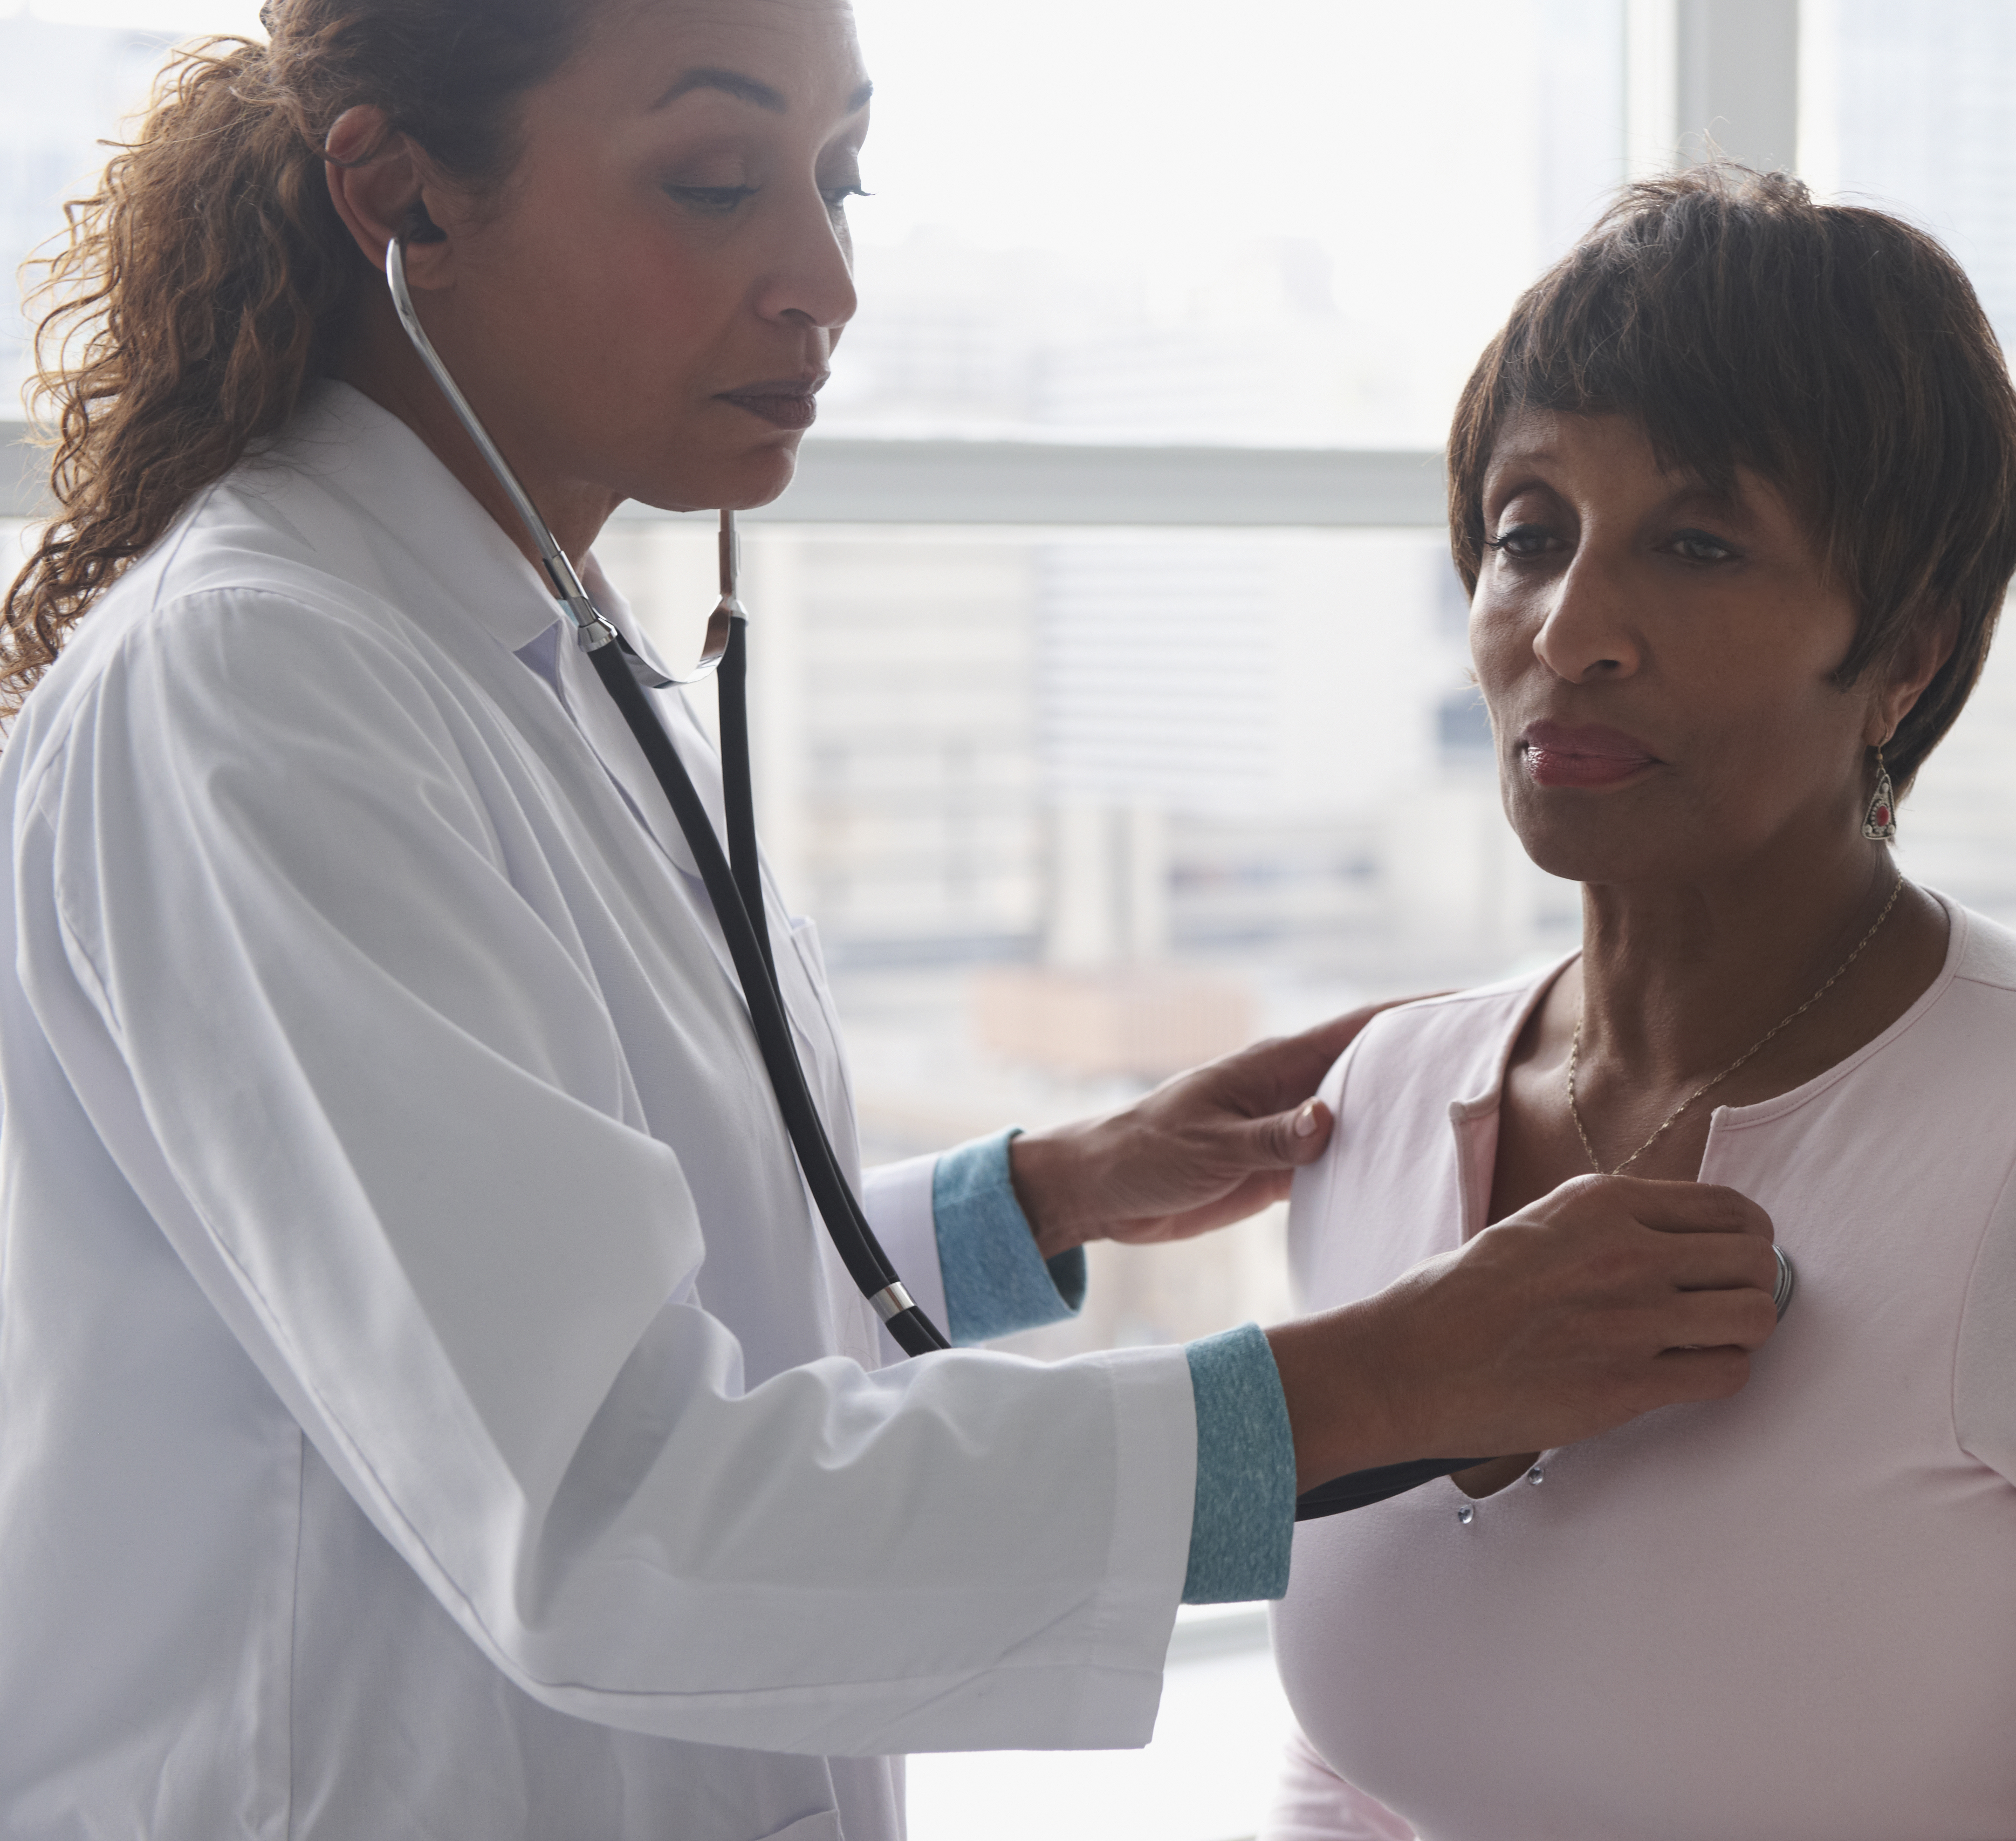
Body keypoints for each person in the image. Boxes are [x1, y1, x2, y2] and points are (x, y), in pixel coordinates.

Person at [0, 6, 1789, 1837]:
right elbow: (605, 1506)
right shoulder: (265, 688)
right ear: (400, 195)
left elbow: (593, 1262)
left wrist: (1038, 1203)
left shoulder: (532, 655)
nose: (824, 281)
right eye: (714, 182)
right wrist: (1383, 1378)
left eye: (839, 179)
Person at [1265, 167, 2016, 1841]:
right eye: (1530, 532)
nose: (1573, 627)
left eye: (1698, 540)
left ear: (1905, 652)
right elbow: (1360, 1772)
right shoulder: (1373, 1102)